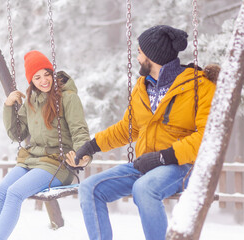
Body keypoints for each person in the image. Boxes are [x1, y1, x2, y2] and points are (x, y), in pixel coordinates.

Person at [67, 25, 218, 240]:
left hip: (181, 165)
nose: (136, 57)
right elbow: (128, 128)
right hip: (146, 164)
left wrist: (163, 157)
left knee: (144, 189)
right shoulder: (142, 87)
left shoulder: (199, 86)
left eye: (139, 52)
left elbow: (207, 137)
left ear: (152, 57)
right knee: (90, 188)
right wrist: (91, 146)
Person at [0, 50, 91, 240]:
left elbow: (79, 130)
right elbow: (17, 134)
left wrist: (83, 153)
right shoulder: (31, 101)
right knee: (0, 192)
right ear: (31, 81)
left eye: (47, 74)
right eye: (37, 77)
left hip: (57, 164)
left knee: (14, 193)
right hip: (32, 159)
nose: (44, 80)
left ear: (52, 73)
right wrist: (9, 106)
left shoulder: (68, 98)